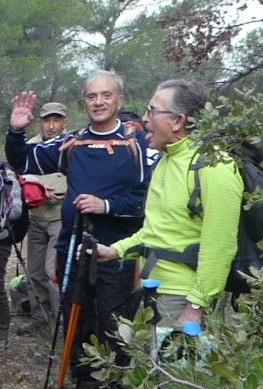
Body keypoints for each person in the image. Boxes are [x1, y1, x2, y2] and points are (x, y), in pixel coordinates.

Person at [6, 70, 149, 388]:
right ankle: (82, 384)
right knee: (76, 315)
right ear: (84, 102)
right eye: (91, 96)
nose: (98, 102)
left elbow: (146, 198)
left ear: (119, 100)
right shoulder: (73, 141)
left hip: (117, 250)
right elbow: (24, 162)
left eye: (106, 95)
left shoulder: (136, 143)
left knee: (113, 319)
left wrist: (106, 206)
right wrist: (16, 131)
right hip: (72, 247)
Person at [97, 79, 242, 326]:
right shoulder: (166, 160)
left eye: (152, 111)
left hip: (182, 298)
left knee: (172, 364)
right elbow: (158, 230)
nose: (144, 118)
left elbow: (220, 245)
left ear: (178, 121)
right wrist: (116, 250)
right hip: (153, 289)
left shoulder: (215, 166)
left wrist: (197, 305)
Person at [15, 103, 68, 336]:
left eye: (56, 121)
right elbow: (19, 174)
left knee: (52, 270)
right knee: (34, 271)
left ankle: (61, 322)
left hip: (60, 217)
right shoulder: (31, 147)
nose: (51, 126)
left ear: (64, 123)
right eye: (47, 120)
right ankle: (40, 317)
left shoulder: (72, 145)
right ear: (40, 122)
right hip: (36, 217)